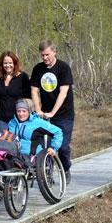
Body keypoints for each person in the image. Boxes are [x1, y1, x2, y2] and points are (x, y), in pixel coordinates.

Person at [30, 40, 74, 179]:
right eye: (42, 55)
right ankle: (47, 175)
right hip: (46, 116)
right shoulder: (38, 69)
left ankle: (65, 169)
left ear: (55, 52)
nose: (45, 58)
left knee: (62, 147)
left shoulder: (63, 68)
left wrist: (53, 112)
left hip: (64, 115)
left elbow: (63, 92)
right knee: (46, 147)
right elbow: (34, 91)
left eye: (47, 54)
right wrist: (38, 110)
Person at [0, 51, 31, 134]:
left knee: (17, 144)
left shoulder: (23, 77)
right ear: (1, 64)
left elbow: (28, 99)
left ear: (15, 63)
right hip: (2, 120)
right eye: (5, 63)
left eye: (10, 63)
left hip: (18, 119)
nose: (7, 65)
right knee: (3, 145)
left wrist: (27, 116)